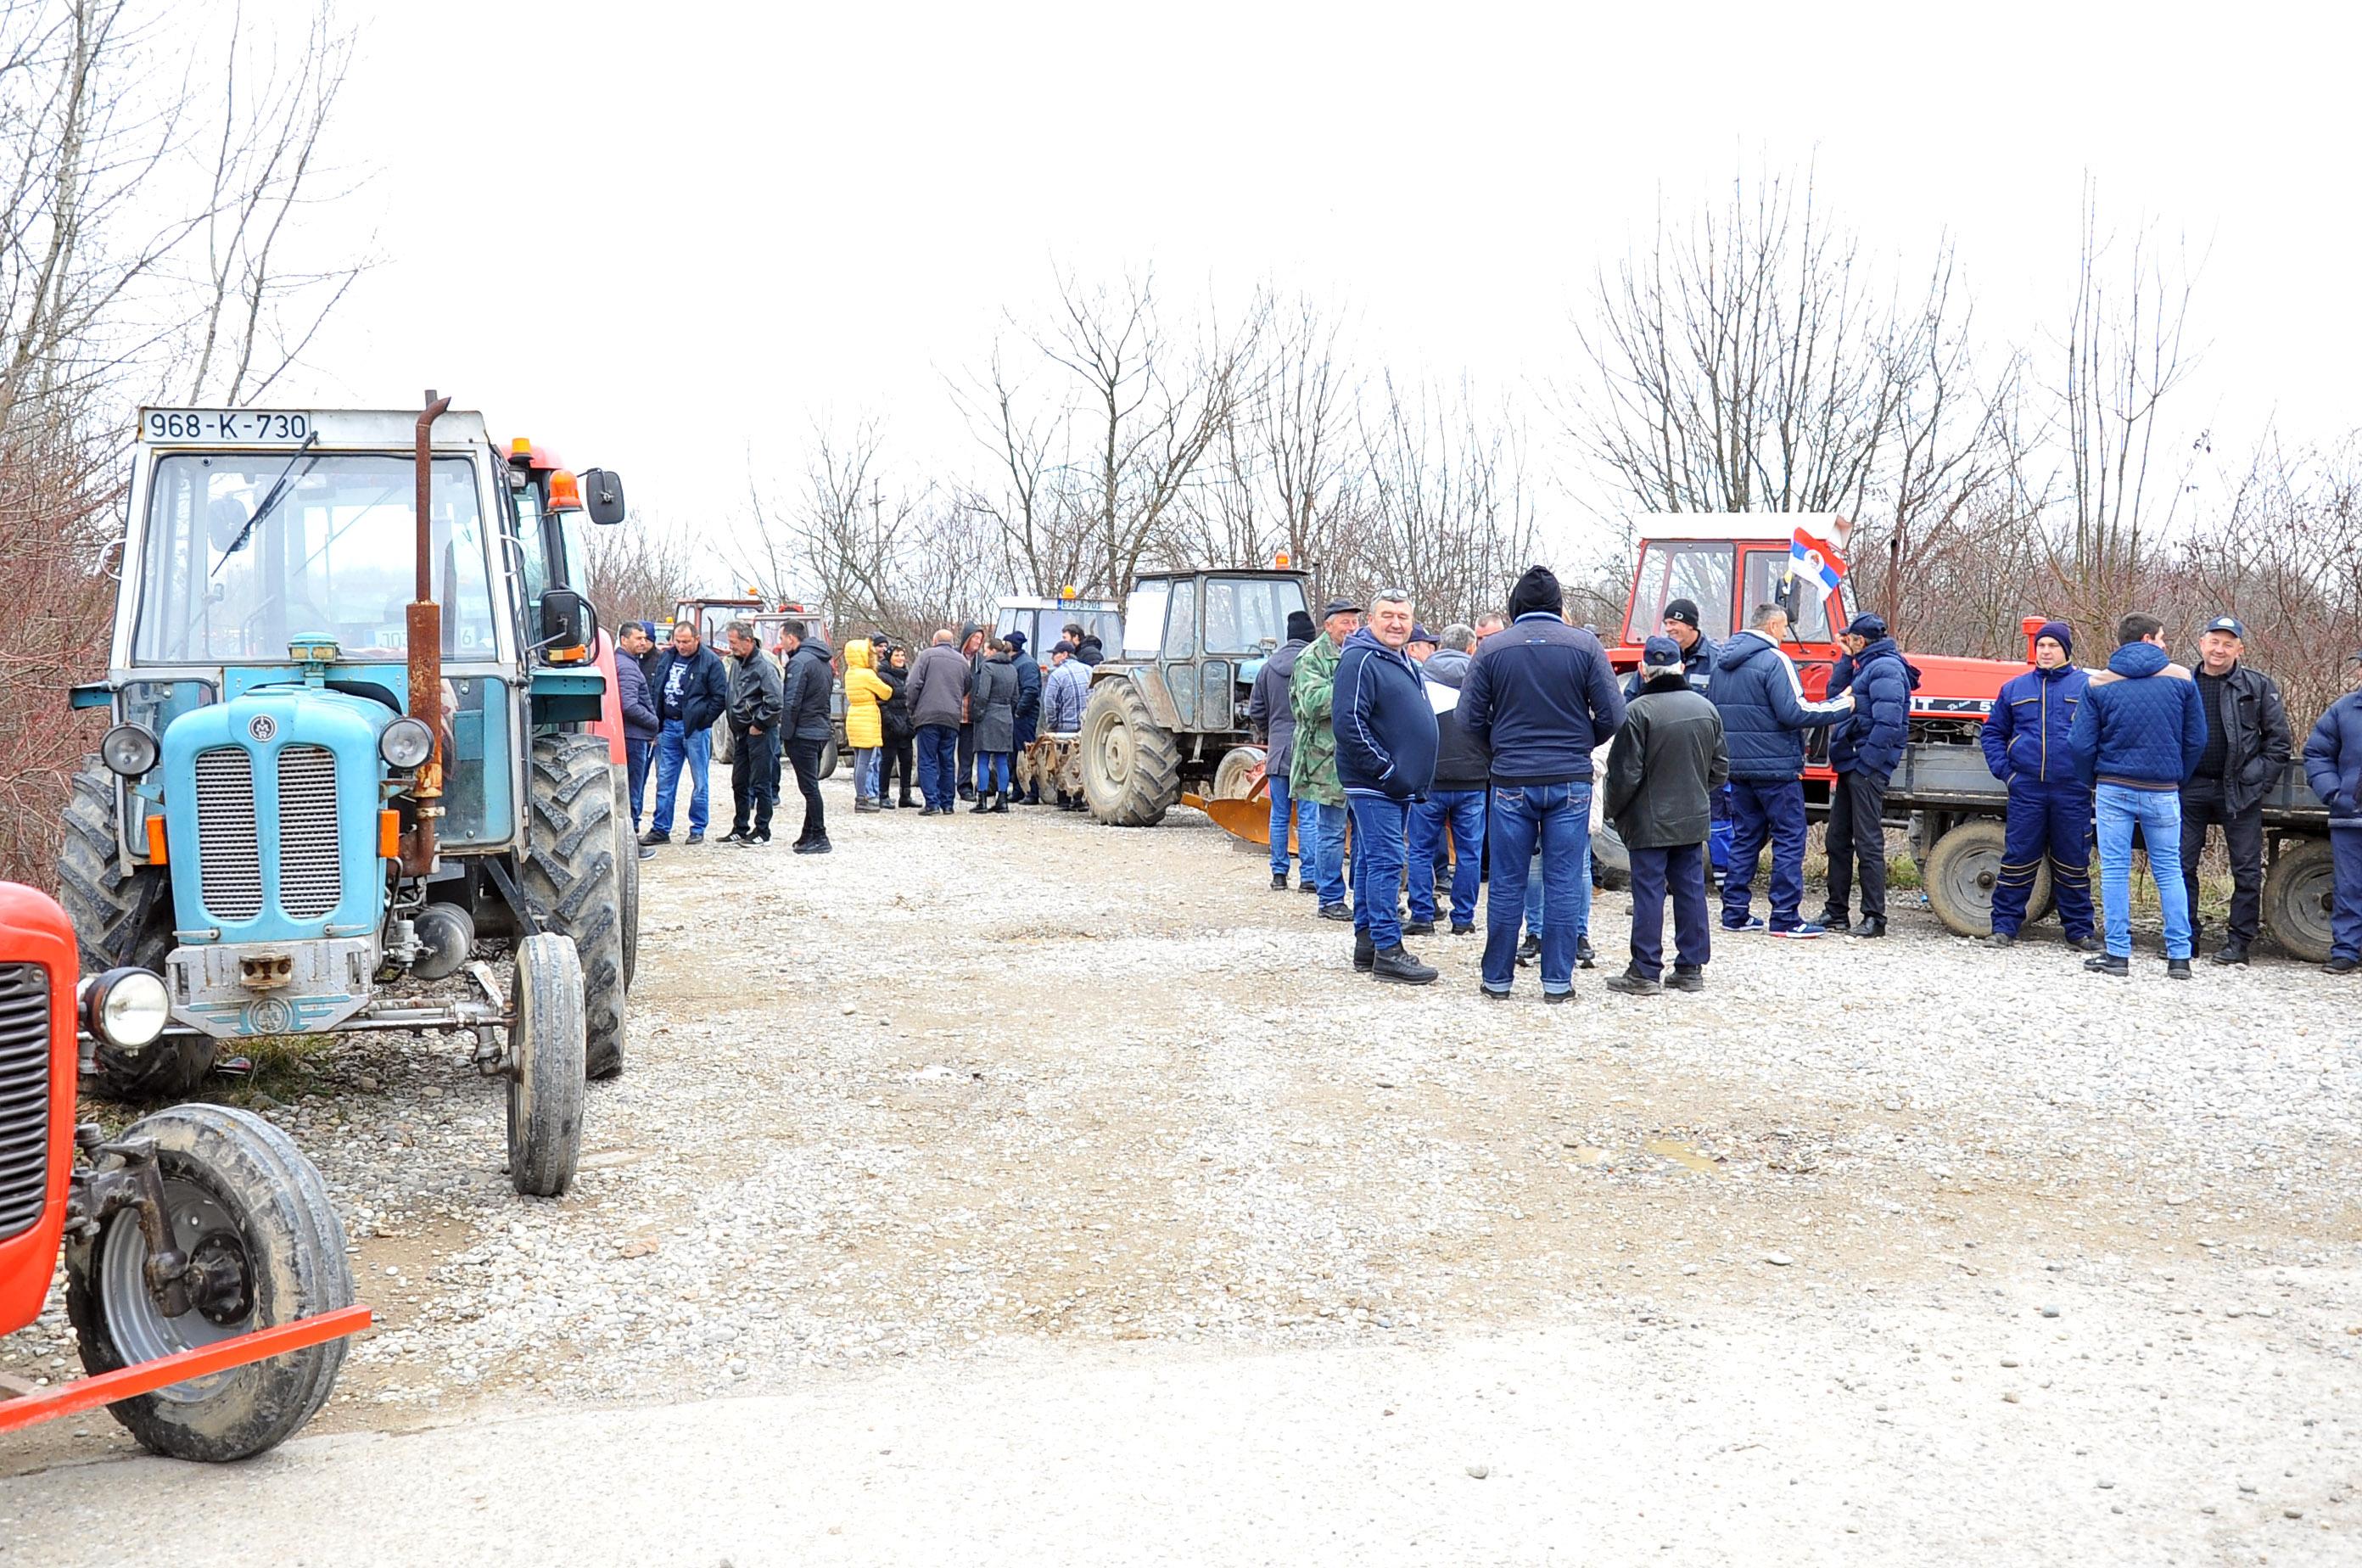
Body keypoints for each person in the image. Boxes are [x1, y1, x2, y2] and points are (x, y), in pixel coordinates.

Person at [1459, 565, 1626, 1001]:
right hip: (1570, 779)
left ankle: (1497, 979)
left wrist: (1500, 753)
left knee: (1508, 880)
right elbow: (1614, 716)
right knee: (1565, 880)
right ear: (1558, 607)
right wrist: (1577, 745)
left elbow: (1468, 720)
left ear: (1515, 607)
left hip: (1512, 777)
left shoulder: (1492, 649)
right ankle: (1557, 982)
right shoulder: (1585, 645)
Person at [2068, 613, 2208, 979]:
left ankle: (2118, 955)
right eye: (2162, 637)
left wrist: (2094, 780)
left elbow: (2080, 744)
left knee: (2115, 870)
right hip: (2163, 789)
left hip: (2114, 787)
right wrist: (2176, 775)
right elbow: (2196, 739)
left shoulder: (2098, 683)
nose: (2165, 643)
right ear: (2147, 639)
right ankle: (2179, 957)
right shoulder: (2181, 678)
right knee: (2169, 869)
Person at [1710, 603, 1853, 937]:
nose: (1785, 634)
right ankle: (1786, 917)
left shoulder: (1722, 662)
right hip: (1775, 768)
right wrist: (1842, 705)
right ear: (1774, 626)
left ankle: (1735, 913)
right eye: (1784, 628)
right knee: (1789, 837)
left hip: (1737, 766)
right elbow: (1795, 711)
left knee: (1746, 836)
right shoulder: (1776, 660)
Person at [1604, 635, 1728, 994]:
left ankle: (1644, 971)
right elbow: (1720, 770)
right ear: (1682, 667)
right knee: (1690, 891)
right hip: (1692, 817)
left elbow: (1624, 775)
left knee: (1649, 893)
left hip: (1648, 821)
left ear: (1643, 669)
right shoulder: (1707, 709)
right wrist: (1695, 793)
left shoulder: (1637, 713)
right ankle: (1690, 968)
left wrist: (1612, 810)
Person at [1334, 590, 1441, 984]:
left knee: (1368, 859)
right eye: (1388, 616)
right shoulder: (1359, 659)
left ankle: (1368, 944)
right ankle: (1389, 950)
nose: (1396, 623)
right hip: (1377, 784)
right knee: (1386, 862)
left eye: (1403, 616)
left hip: (1398, 785)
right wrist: (1386, 771)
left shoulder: (1398, 659)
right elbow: (1349, 723)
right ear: (1371, 621)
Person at [2178, 616, 2292, 965]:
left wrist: (2257, 779)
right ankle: (2185, 939)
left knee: (2245, 871)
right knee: (2180, 866)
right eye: (2214, 641)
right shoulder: (2182, 682)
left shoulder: (2256, 686)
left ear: (2239, 649)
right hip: (2189, 787)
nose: (2219, 649)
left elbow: (2279, 743)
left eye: (2228, 643)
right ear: (2201, 643)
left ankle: (2239, 943)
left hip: (2239, 790)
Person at [1979, 620, 2099, 950]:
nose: (2045, 652)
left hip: (2072, 789)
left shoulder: (2088, 687)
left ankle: (2079, 932)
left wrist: (2090, 776)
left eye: (2053, 646)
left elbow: (2103, 735)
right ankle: (2003, 928)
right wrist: (2008, 774)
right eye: (2041, 646)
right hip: (2027, 788)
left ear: (2066, 650)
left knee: (2073, 862)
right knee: (2018, 859)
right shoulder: (2015, 689)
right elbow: (1991, 734)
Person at [1819, 612, 1911, 938]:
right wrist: (1845, 660)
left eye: (1849, 639)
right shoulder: (1866, 665)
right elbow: (1834, 696)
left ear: (1861, 640)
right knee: (1837, 839)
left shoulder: (1885, 668)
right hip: (1852, 764)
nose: (1845, 642)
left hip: (1864, 767)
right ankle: (1836, 912)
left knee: (1868, 842)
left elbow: (1890, 722)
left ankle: (1875, 918)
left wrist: (1867, 763)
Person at [1409, 622, 1486, 936]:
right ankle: (1463, 919)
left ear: (1440, 646)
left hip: (1429, 778)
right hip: (1473, 779)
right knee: (1469, 853)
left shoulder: (1419, 677)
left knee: (1420, 849)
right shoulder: (1482, 680)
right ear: (1471, 648)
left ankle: (1422, 916)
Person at [1290, 598, 1362, 921]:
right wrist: (1350, 688)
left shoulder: (1361, 652)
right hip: (1325, 759)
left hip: (1360, 755)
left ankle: (1364, 895)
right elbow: (1313, 704)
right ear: (1328, 625)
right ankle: (1330, 898)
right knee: (1332, 831)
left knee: (1364, 831)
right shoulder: (1311, 658)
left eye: (1354, 622)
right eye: (1344, 622)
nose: (1351, 628)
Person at [2301, 648, 2362, 975]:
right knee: (2349, 886)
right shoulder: (2343, 710)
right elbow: (2317, 753)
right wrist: (2334, 793)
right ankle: (2346, 952)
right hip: (2351, 816)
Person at [643, 620, 728, 848]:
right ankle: (661, 828)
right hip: (667, 727)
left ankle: (698, 828)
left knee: (700, 781)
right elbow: (656, 689)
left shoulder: (710, 662)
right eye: (677, 641)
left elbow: (720, 696)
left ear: (697, 639)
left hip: (695, 730)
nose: (681, 646)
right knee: (665, 780)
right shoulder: (667, 658)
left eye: (686, 642)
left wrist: (704, 720)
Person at [1250, 610, 1315, 889]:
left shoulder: (1267, 667)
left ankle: (1279, 875)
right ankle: (1309, 877)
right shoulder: (1316, 666)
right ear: (1311, 638)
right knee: (1310, 816)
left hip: (1278, 752)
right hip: (1311, 754)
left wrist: (1272, 731)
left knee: (1279, 813)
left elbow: (1256, 710)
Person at [719, 620, 783, 846]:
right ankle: (740, 827)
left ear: (748, 641)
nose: (731, 647)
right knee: (739, 781)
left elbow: (775, 702)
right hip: (741, 733)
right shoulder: (737, 664)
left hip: (760, 734)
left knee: (761, 782)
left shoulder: (764, 667)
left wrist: (759, 724)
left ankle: (763, 830)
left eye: (733, 642)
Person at [775, 618, 836, 854]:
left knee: (810, 788)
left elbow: (792, 702)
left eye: (781, 639)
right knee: (810, 785)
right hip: (819, 730)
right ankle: (808, 834)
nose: (781, 644)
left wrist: (786, 734)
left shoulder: (799, 663)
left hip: (804, 733)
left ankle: (820, 836)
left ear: (791, 638)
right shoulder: (823, 661)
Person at [906, 630, 969, 815]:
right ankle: (948, 803)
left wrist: (912, 708)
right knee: (948, 761)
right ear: (952, 642)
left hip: (928, 716)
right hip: (951, 717)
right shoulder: (962, 661)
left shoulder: (926, 656)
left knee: (927, 760)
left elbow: (912, 684)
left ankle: (932, 803)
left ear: (934, 640)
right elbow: (968, 685)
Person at [615, 620, 659, 856]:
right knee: (633, 789)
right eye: (638, 638)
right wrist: (654, 723)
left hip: (632, 734)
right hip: (634, 737)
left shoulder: (624, 662)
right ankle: (632, 843)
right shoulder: (628, 667)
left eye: (644, 638)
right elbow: (629, 705)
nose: (643, 642)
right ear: (624, 640)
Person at [1622, 597, 1719, 697]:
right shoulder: (1657, 655)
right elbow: (1630, 696)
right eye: (1666, 624)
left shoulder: (1715, 659)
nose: (1668, 629)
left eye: (1673, 623)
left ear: (1690, 625)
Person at [842, 637, 894, 814]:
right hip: (867, 718)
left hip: (854, 716)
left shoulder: (849, 673)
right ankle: (862, 798)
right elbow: (886, 692)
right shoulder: (867, 674)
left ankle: (860, 796)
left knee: (859, 761)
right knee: (865, 761)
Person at [968, 637, 1020, 811]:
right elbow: (1015, 697)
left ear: (992, 651)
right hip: (1006, 715)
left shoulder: (988, 667)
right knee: (1002, 760)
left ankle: (981, 800)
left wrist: (977, 713)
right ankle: (1002, 800)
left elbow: (983, 694)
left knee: (983, 758)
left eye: (986, 649)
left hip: (988, 715)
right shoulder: (1012, 668)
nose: (984, 653)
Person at [877, 641, 917, 809]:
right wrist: (891, 722)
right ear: (889, 657)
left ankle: (905, 795)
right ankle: (883, 794)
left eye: (902, 655)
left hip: (906, 724)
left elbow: (912, 699)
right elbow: (881, 702)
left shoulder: (907, 675)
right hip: (890, 725)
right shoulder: (882, 675)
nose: (900, 658)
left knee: (907, 760)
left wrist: (911, 722)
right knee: (887, 761)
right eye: (897, 655)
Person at [1005, 630, 1044, 804]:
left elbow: (1031, 690)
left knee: (1027, 753)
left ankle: (1032, 791)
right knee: (1015, 754)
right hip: (1017, 715)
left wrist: (1019, 711)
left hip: (1024, 717)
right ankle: (1018, 789)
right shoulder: (1018, 662)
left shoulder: (1026, 664)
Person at [954, 622, 987, 800]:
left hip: (970, 715)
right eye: (975, 638)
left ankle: (965, 787)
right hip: (951, 713)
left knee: (966, 754)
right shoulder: (953, 657)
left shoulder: (981, 662)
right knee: (945, 753)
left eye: (980, 639)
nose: (977, 642)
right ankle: (944, 786)